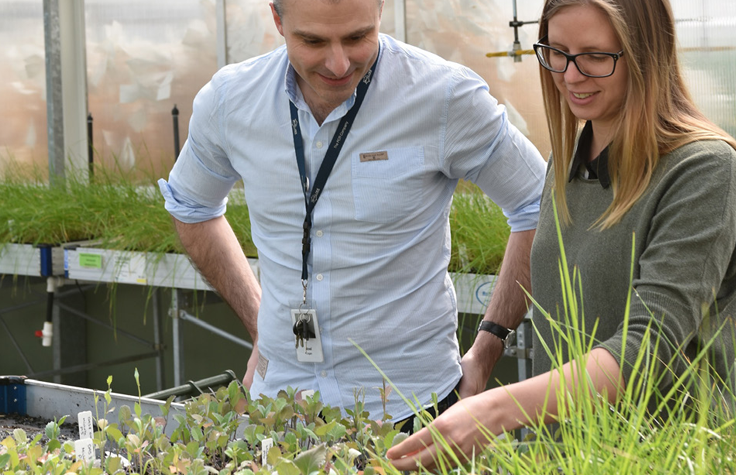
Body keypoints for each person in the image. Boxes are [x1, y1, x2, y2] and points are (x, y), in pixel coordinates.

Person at [158, 0, 546, 423]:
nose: (339, 63)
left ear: (381, 11)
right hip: (282, 409)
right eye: (313, 40)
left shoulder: (442, 96)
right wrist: (263, 326)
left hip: (413, 409)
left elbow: (539, 205)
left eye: (358, 37)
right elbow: (191, 206)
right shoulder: (231, 100)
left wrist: (489, 345)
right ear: (277, 19)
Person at [388, 0, 736, 469]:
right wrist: (485, 347)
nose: (571, 76)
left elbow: (648, 347)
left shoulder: (704, 170)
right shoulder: (568, 161)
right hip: (569, 455)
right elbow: (554, 279)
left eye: (595, 56)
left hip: (668, 456)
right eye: (557, 52)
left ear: (644, 52)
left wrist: (496, 409)